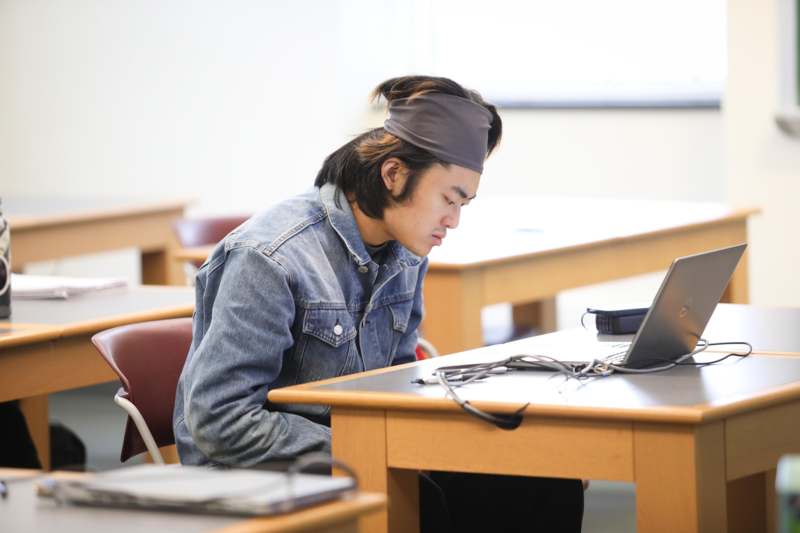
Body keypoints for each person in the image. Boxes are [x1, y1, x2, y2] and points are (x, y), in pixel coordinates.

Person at [173, 75, 583, 532]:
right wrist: (372, 445)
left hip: (360, 450)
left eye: (463, 205)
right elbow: (220, 420)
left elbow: (397, 381)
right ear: (393, 175)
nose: (453, 221)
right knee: (434, 500)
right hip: (255, 476)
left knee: (542, 478)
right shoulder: (270, 258)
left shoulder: (406, 251)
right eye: (449, 199)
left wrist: (450, 430)